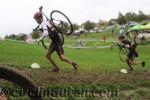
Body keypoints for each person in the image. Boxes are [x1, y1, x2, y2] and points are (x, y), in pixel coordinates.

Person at [33, 6, 78, 72]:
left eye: (36, 19)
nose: (35, 20)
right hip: (53, 41)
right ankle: (56, 68)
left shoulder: (44, 23)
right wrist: (40, 10)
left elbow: (45, 33)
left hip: (57, 41)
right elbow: (41, 17)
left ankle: (74, 64)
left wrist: (39, 39)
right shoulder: (45, 22)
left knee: (62, 58)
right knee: (47, 55)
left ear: (39, 18)